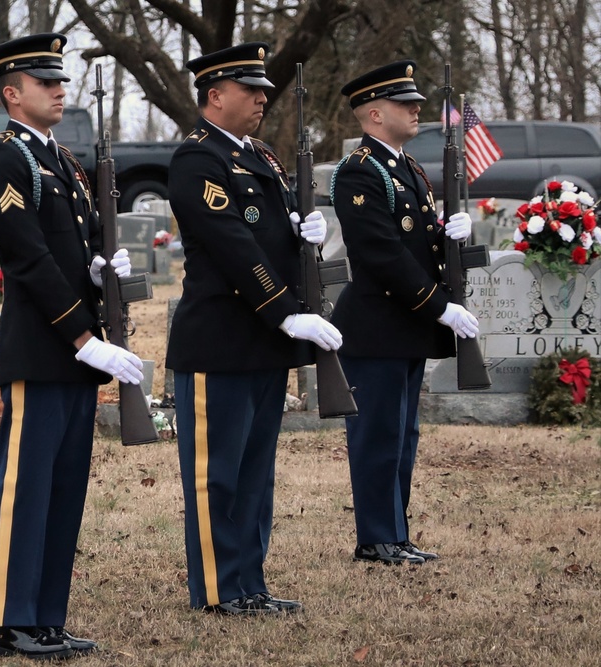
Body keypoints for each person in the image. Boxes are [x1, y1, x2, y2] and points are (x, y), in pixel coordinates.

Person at [0, 33, 143, 659]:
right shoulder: (2, 158)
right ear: (12, 93)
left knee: (65, 489)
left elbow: (80, 245)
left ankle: (47, 616)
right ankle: (11, 621)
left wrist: (103, 266)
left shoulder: (65, 163)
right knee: (27, 486)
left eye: (60, 80)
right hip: (44, 349)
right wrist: (82, 336)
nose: (59, 89)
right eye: (46, 82)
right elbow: (26, 257)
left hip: (78, 349)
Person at [166, 43, 342, 616]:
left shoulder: (260, 156)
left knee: (255, 473)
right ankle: (219, 589)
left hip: (263, 340)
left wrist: (301, 231)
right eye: (251, 89)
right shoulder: (197, 159)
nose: (264, 98)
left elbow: (266, 234)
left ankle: (249, 582)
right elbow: (231, 244)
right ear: (215, 96)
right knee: (219, 476)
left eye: (265, 89)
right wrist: (285, 309)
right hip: (220, 340)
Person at [330, 60, 478, 565]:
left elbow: (414, 242)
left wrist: (446, 234)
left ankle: (396, 531)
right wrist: (440, 308)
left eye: (416, 101)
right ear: (374, 113)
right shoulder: (360, 171)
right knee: (378, 434)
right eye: (404, 103)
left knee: (402, 435)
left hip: (405, 326)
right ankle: (376, 538)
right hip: (377, 326)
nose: (417, 109)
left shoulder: (406, 167)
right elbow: (381, 254)